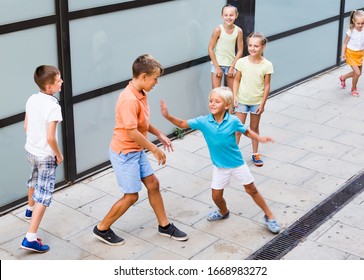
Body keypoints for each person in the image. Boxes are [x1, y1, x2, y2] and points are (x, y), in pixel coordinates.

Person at [93, 54, 188, 245]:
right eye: (155, 78)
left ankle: (164, 226)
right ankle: (102, 228)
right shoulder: (129, 100)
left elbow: (141, 123)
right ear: (144, 76)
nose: (156, 83)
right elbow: (132, 132)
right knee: (131, 196)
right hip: (125, 153)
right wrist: (154, 149)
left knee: (153, 184)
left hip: (135, 150)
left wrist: (159, 133)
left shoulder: (141, 93)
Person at [160, 87, 281, 234]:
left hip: (237, 164)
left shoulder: (233, 121)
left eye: (217, 101)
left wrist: (260, 138)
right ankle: (224, 212)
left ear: (226, 105)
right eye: (211, 101)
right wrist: (167, 116)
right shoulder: (204, 121)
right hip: (220, 166)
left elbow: (246, 131)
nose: (212, 104)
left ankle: (270, 216)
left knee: (252, 189)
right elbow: (182, 123)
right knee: (216, 196)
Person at [21, 65, 64, 253]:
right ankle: (30, 237)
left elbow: (25, 126)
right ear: (49, 87)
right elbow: (50, 138)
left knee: (33, 179)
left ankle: (30, 209)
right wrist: (58, 154)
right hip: (45, 155)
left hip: (31, 150)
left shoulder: (32, 99)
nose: (61, 81)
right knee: (44, 195)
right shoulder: (53, 106)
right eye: (58, 80)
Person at [233, 32, 273, 167]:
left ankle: (255, 154)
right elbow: (236, 80)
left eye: (256, 46)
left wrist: (263, 103)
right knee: (238, 129)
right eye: (250, 45)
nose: (252, 48)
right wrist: (234, 97)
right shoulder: (241, 62)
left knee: (254, 128)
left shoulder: (267, 65)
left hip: (256, 102)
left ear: (262, 47)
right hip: (242, 101)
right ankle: (234, 155)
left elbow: (267, 85)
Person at [339, 9, 364, 97]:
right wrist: (343, 54)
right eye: (358, 23)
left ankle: (343, 77)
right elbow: (345, 43)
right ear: (353, 21)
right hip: (350, 53)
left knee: (359, 73)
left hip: (359, 53)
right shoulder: (351, 31)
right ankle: (353, 88)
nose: (360, 25)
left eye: (362, 23)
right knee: (357, 73)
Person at [208, 4, 244, 90]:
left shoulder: (238, 31)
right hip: (217, 64)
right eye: (226, 15)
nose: (228, 17)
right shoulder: (218, 30)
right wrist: (217, 67)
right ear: (222, 16)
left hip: (231, 65)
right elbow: (210, 48)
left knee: (231, 93)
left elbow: (240, 50)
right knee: (216, 93)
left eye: (231, 15)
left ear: (236, 15)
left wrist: (232, 67)